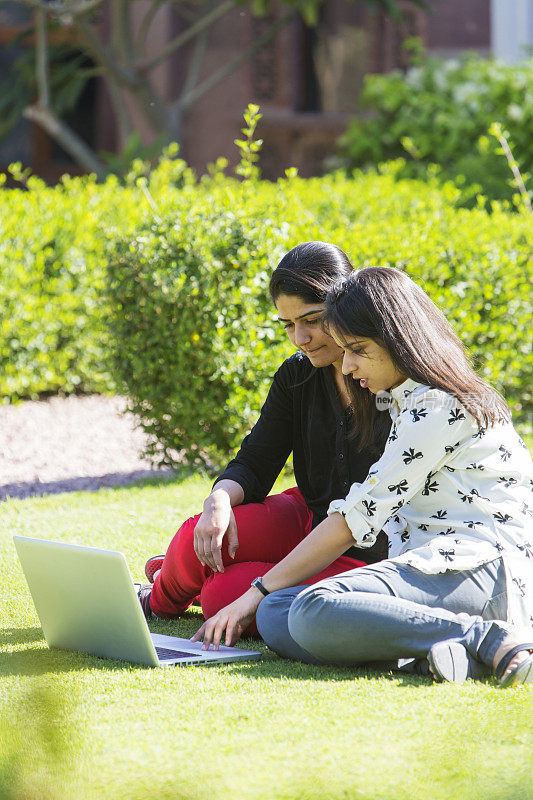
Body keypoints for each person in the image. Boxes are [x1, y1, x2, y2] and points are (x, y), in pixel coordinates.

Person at [192, 266, 533, 687]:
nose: (347, 365)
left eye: (357, 349)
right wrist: (261, 598)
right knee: (278, 617)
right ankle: (442, 652)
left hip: (479, 569)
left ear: (398, 339)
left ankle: (487, 637)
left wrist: (253, 592)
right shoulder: (402, 402)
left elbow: (354, 520)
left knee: (304, 607)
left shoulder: (438, 407)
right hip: (429, 571)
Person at [139, 243, 390, 629]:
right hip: (309, 515)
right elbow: (257, 459)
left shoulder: (394, 381)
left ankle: (188, 577)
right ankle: (157, 601)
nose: (299, 338)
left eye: (311, 320)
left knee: (221, 595)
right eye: (288, 325)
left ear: (346, 305)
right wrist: (219, 500)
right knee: (201, 532)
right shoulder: (297, 374)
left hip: (364, 549)